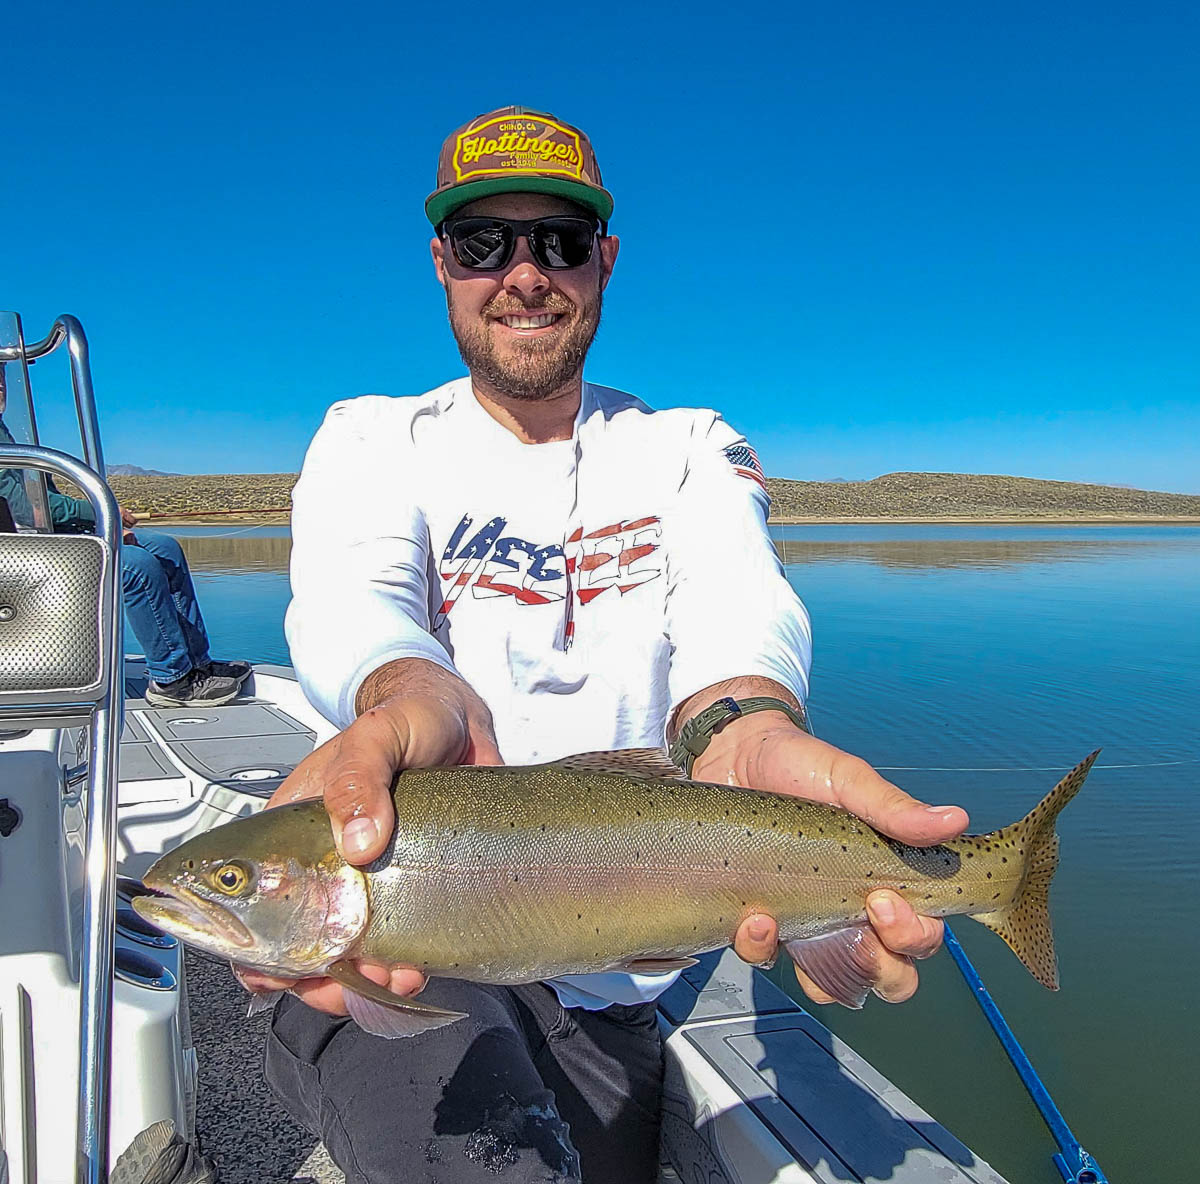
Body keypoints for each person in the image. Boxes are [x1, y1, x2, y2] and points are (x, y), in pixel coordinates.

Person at [245, 107, 969, 1184]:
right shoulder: (367, 437)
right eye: (488, 242)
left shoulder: (690, 448)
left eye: (561, 241)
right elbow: (360, 602)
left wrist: (746, 723)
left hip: (628, 973)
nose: (525, 272)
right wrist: (412, 700)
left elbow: (739, 604)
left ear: (605, 262)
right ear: (443, 262)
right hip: (409, 953)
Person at [0, 364, 250, 706]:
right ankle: (172, 680)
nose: (1, 386)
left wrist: (100, 522)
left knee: (165, 548)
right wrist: (104, 512)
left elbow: (43, 502)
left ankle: (196, 664)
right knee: (135, 567)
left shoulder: (4, 429)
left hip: (46, 538)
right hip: (20, 550)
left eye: (1, 375)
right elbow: (29, 511)